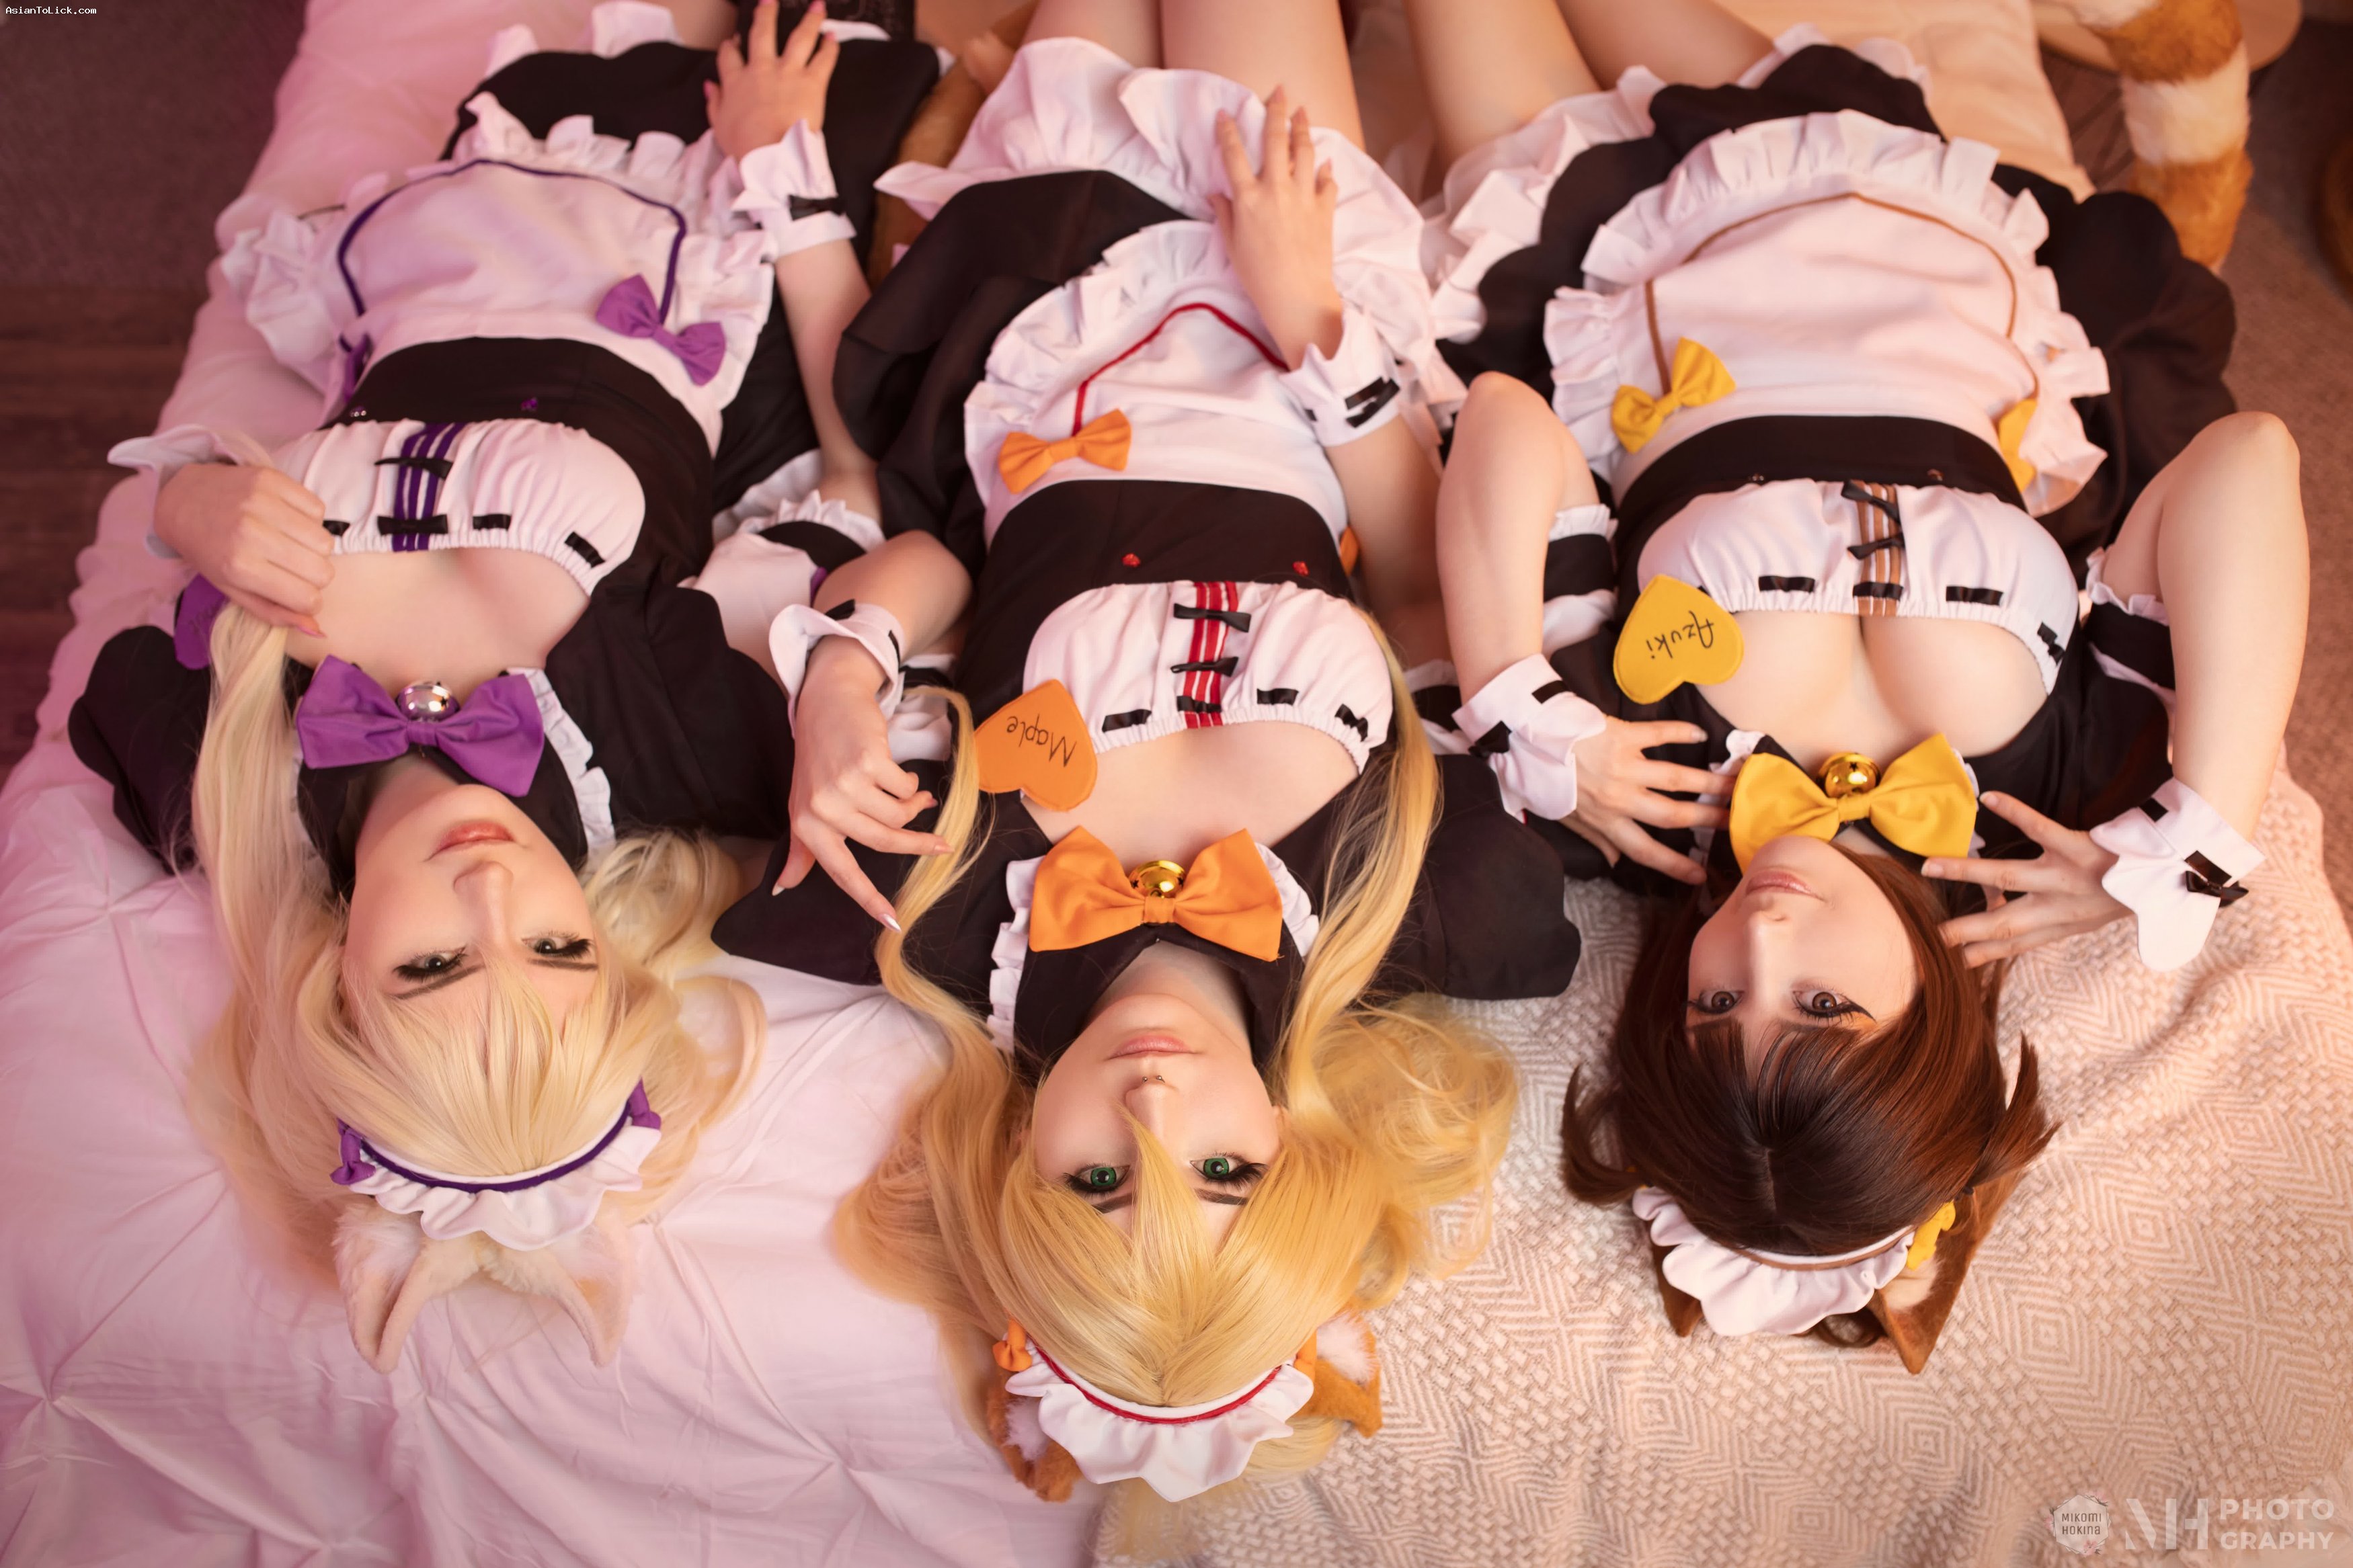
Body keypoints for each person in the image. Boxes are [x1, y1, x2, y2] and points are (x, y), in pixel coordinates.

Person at [707, 0, 1567, 1526]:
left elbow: (944, 563)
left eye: (1098, 1182)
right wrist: (1307, 313)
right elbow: (1418, 578)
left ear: (1015, 1172)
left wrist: (842, 670)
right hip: (1291, 325)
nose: (1156, 1112)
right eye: (1223, 1176)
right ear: (1292, 1155)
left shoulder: (932, 911)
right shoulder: (1422, 901)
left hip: (1038, 299)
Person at [1406, 0, 2309, 1348]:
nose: (1760, 942)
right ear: (1932, 1020)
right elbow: (2249, 461)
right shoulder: (2069, 795)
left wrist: (1515, 699)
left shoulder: (1635, 788)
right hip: (1913, 214)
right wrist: (2200, 837)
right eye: (1823, 1006)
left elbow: (1504, 421)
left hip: (1627, 228)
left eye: (1716, 1003)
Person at [63, 0, 937, 1371]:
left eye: (432, 966)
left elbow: (123, 649)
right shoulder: (660, 742)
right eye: (558, 949)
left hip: (458, 219)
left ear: (335, 985)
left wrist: (192, 507)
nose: (491, 890)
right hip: (711, 229)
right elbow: (860, 495)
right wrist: (788, 175)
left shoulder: (212, 764)